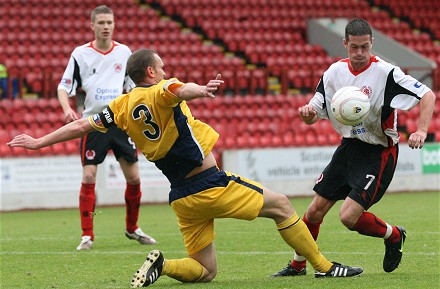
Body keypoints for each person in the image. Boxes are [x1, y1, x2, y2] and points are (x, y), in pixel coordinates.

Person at [8, 48, 363, 287]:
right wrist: (201, 89)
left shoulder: (119, 105)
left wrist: (39, 141)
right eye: (161, 67)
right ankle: (325, 267)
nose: (166, 72)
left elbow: (81, 126)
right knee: (282, 205)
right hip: (211, 183)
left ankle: (163, 266)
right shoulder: (162, 88)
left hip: (182, 197)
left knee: (206, 271)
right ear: (151, 72)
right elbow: (179, 89)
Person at [270, 18, 436, 277]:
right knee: (313, 212)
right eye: (354, 47)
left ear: (372, 44)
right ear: (345, 44)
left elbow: (427, 94)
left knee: (348, 217)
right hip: (348, 147)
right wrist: (308, 114)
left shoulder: (386, 73)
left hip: (378, 152)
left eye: (365, 47)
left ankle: (393, 236)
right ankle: (298, 265)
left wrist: (422, 130)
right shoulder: (334, 73)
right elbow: (315, 109)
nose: (360, 53)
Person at [57, 5, 156, 250]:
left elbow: (134, 86)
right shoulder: (80, 54)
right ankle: (87, 235)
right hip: (93, 123)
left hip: (121, 121)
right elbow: (63, 86)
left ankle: (132, 228)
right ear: (92, 25)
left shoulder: (124, 52)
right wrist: (66, 109)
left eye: (109, 22)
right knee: (89, 175)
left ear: (114, 24)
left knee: (133, 178)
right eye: (100, 22)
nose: (105, 27)